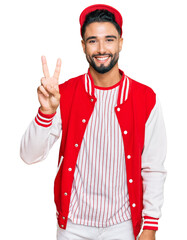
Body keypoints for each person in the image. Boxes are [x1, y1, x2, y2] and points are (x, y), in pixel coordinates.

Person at [20, 4, 167, 240]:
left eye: (109, 39)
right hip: (73, 227)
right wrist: (46, 112)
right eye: (92, 41)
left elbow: (153, 167)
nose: (101, 48)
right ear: (83, 46)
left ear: (120, 42)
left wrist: (150, 225)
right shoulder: (63, 94)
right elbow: (29, 155)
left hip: (123, 226)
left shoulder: (145, 98)